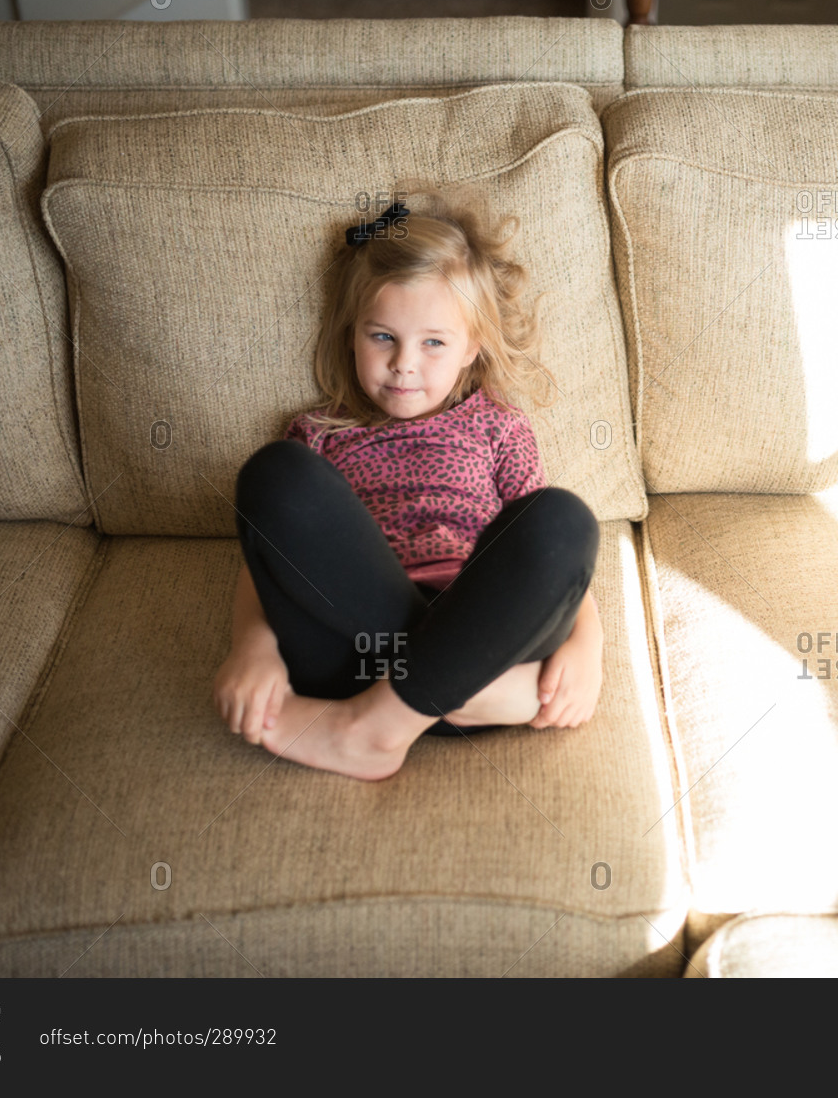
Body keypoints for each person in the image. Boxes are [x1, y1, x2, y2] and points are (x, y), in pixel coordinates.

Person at [211, 186, 602, 781]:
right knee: (274, 475)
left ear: (471, 348)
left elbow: (551, 563)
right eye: (382, 336)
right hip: (352, 644)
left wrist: (587, 651)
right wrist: (254, 648)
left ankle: (374, 728)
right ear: (351, 332)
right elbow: (266, 563)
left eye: (434, 343)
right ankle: (475, 694)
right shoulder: (318, 433)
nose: (404, 364)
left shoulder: (498, 425)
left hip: (481, 627)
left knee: (563, 519)